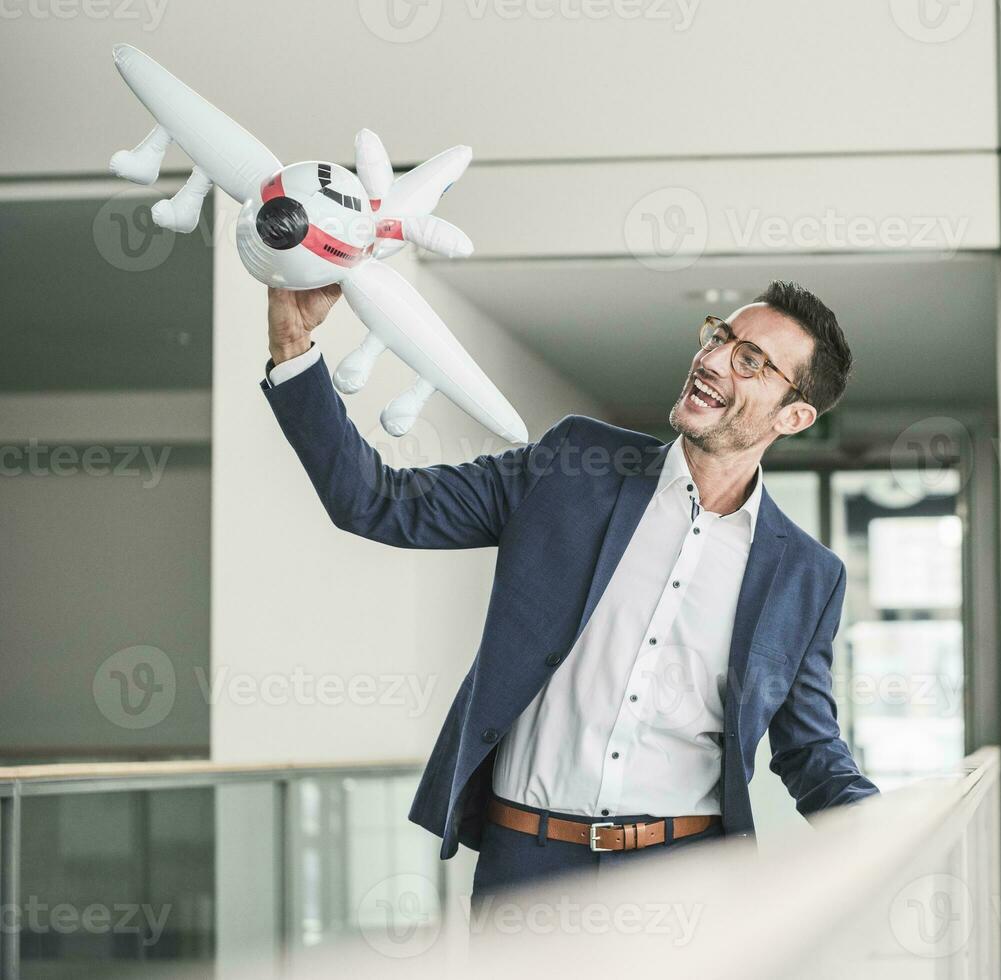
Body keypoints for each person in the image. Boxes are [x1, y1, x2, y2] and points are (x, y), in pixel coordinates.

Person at [260, 279, 878, 897]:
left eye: (750, 361)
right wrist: (293, 343)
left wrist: (878, 825)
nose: (712, 360)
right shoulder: (574, 465)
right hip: (527, 869)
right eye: (721, 337)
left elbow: (810, 748)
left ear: (794, 415)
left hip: (686, 880)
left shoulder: (807, 575)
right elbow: (376, 502)